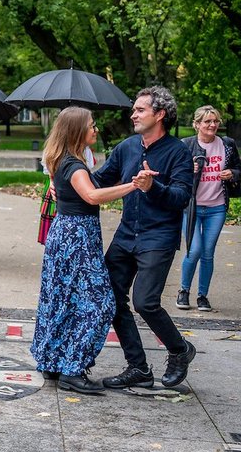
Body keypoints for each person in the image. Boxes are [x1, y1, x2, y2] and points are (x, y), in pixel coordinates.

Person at [93, 86, 195, 390]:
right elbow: (99, 180)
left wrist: (153, 187)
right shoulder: (126, 147)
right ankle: (138, 367)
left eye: (140, 110)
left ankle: (179, 349)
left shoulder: (178, 152)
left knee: (145, 302)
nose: (133, 115)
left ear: (159, 114)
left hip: (158, 237)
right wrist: (67, 177)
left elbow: (181, 197)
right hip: (126, 234)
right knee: (111, 298)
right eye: (134, 110)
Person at [30, 107, 136, 394]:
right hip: (77, 239)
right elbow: (91, 195)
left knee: (62, 299)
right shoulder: (74, 165)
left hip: (65, 234)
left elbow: (80, 187)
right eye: (91, 125)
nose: (96, 129)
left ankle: (53, 361)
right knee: (101, 303)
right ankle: (72, 369)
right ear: (77, 130)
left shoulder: (61, 159)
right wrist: (132, 186)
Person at [177, 105, 241, 312]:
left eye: (215, 121)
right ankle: (183, 290)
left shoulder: (227, 144)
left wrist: (231, 173)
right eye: (207, 121)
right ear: (197, 124)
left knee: (207, 253)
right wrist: (189, 169)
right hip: (192, 207)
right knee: (194, 249)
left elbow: (238, 169)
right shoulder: (186, 145)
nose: (213, 125)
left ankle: (202, 296)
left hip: (217, 207)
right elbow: (174, 175)